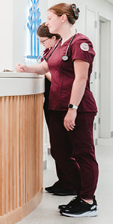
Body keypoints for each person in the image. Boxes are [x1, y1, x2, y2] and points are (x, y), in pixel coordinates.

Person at [15, 3, 98, 218]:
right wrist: (27, 68)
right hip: (56, 107)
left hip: (77, 107)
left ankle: (88, 201)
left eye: (50, 18)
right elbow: (45, 67)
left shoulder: (80, 43)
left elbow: (81, 79)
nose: (47, 22)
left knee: (83, 154)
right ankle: (79, 193)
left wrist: (73, 108)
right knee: (59, 152)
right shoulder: (58, 44)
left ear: (63, 18)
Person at [34, 24, 75, 197]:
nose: (42, 45)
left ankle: (71, 183)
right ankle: (64, 181)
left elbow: (60, 79)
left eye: (43, 41)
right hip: (51, 103)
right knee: (57, 146)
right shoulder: (49, 53)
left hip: (62, 103)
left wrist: (43, 70)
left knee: (63, 146)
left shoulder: (63, 53)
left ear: (54, 38)